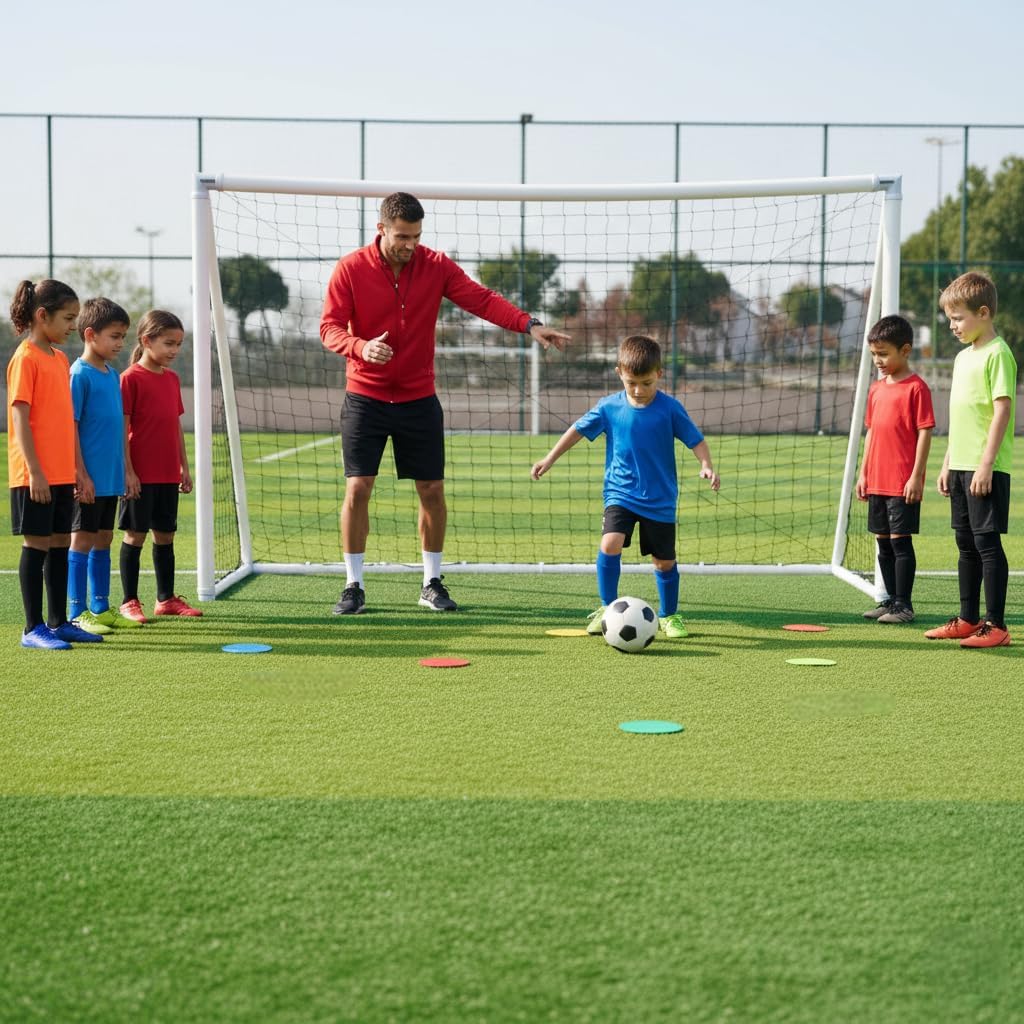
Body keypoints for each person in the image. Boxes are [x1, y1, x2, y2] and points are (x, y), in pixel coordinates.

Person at [321, 191, 570, 615]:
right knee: (358, 488)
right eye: (402, 236)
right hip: (366, 396)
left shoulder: (435, 265)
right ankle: (353, 585)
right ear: (381, 229)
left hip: (419, 397)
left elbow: (482, 298)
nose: (410, 244)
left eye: (416, 236)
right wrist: (360, 347)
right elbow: (328, 328)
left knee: (432, 490)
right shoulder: (350, 269)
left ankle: (431, 582)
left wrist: (529, 324)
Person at [530, 334, 720, 638]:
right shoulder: (608, 408)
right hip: (620, 493)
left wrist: (706, 465)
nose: (638, 390)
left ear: (659, 374)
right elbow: (577, 431)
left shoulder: (670, 408)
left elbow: (696, 440)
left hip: (660, 499)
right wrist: (549, 459)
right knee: (610, 543)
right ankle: (607, 608)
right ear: (620, 373)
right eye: (632, 382)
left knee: (664, 561)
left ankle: (669, 616)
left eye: (646, 383)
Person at [7, 278, 102, 648]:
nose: (72, 326)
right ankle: (32, 629)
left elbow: (64, 421)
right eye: (67, 318)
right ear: (41, 315)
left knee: (61, 541)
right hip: (35, 475)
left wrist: (76, 469)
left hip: (62, 473)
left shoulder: (60, 359)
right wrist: (35, 472)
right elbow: (19, 418)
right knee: (37, 544)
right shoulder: (25, 359)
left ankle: (58, 621)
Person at [925, 272, 1016, 649]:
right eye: (949, 319)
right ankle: (967, 618)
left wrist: (985, 464)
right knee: (965, 543)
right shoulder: (963, 358)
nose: (952, 326)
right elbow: (961, 417)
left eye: (958, 318)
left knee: (987, 543)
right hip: (960, 465)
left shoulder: (999, 354)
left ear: (983, 312)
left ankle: (996, 625)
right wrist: (948, 463)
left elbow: (1002, 412)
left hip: (985, 468)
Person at [117, 310, 202, 623]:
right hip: (139, 476)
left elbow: (174, 426)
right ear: (146, 340)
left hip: (168, 473)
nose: (175, 350)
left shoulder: (173, 379)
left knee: (165, 536)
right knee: (135, 535)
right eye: (169, 343)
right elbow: (121, 430)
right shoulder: (129, 380)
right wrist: (128, 471)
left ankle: (165, 599)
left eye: (178, 344)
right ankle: (129, 601)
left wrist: (184, 467)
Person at [66, 298, 142, 635]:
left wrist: (126, 469)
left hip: (111, 477)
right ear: (90, 334)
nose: (120, 344)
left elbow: (119, 429)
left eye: (123, 337)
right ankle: (76, 611)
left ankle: (99, 605)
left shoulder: (112, 376)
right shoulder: (78, 375)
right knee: (81, 539)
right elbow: (70, 428)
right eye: (115, 336)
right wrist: (80, 474)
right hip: (88, 479)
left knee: (105, 536)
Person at [855, 315, 935, 624]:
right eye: (874, 354)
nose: (878, 360)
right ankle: (889, 601)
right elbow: (872, 431)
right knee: (883, 542)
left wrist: (916, 476)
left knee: (901, 543)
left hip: (902, 482)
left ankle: (905, 606)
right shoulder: (876, 389)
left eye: (884, 353)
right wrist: (864, 473)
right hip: (876, 480)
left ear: (905, 350)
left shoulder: (917, 389)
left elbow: (925, 431)